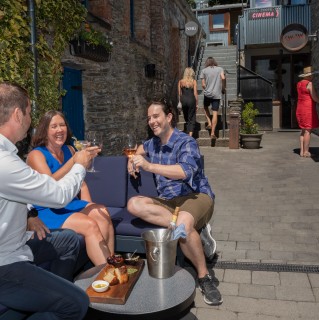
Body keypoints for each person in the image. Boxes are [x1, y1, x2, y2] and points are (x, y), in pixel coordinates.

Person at [0, 82, 100, 319]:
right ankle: (58, 300)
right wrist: (79, 165)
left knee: (69, 241)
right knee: (77, 303)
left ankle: (53, 289)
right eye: (29, 112)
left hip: (18, 243)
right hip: (5, 262)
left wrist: (29, 216)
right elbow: (57, 196)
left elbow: (15, 197)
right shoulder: (4, 162)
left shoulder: (9, 156)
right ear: (17, 114)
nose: (30, 119)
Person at [127, 100, 222, 306]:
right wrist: (132, 158)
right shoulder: (153, 143)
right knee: (134, 204)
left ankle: (204, 277)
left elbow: (183, 171)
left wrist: (150, 166)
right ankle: (198, 232)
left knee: (183, 225)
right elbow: (139, 149)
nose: (152, 121)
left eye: (156, 116)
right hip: (168, 202)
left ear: (169, 117)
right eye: (149, 118)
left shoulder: (186, 142)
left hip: (195, 196)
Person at [27, 110, 115, 266]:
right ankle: (106, 273)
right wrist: (75, 161)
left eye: (62, 125)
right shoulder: (36, 155)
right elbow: (50, 185)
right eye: (53, 126)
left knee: (101, 212)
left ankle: (112, 262)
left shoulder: (70, 150)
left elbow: (81, 182)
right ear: (45, 131)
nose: (60, 129)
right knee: (89, 224)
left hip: (69, 202)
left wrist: (87, 205)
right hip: (47, 208)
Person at [296, 66, 319, 157]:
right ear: (309, 76)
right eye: (312, 75)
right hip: (307, 109)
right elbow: (314, 97)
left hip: (300, 108)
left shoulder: (299, 84)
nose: (312, 77)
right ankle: (306, 152)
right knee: (308, 131)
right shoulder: (309, 84)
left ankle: (302, 151)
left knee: (303, 130)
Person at [200, 57, 226, 139]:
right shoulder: (220, 69)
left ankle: (209, 123)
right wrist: (223, 88)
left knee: (205, 107)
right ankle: (212, 133)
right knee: (215, 113)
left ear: (207, 63)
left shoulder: (204, 71)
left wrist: (207, 88)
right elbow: (223, 78)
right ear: (214, 62)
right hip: (216, 94)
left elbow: (203, 85)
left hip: (207, 94)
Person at [178, 67, 198, 137]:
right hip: (191, 100)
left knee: (186, 116)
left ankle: (187, 129)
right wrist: (197, 104)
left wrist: (180, 102)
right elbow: (195, 93)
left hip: (184, 100)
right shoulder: (194, 82)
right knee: (192, 117)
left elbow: (179, 94)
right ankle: (190, 135)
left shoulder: (181, 82)